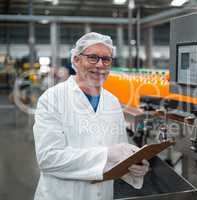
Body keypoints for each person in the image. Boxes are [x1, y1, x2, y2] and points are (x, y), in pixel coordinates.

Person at [33, 32, 149, 200]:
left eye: (106, 59)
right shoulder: (52, 99)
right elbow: (48, 158)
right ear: (76, 60)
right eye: (93, 57)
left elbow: (119, 154)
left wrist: (133, 166)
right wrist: (107, 154)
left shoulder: (112, 102)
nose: (100, 65)